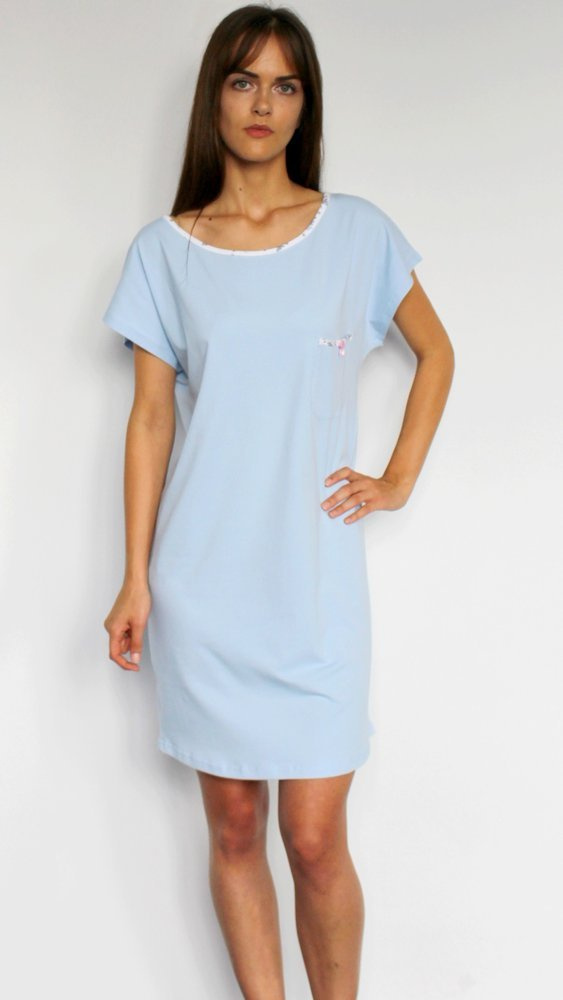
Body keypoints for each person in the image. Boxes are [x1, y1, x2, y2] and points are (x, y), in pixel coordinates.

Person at [102, 4, 455, 997]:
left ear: (305, 104)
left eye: (284, 84)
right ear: (213, 96)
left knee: (310, 834)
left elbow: (435, 352)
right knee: (232, 828)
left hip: (311, 585)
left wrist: (395, 478)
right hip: (203, 586)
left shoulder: (355, 232)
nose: (263, 103)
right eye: (243, 80)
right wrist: (134, 577)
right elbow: (149, 420)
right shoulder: (165, 251)